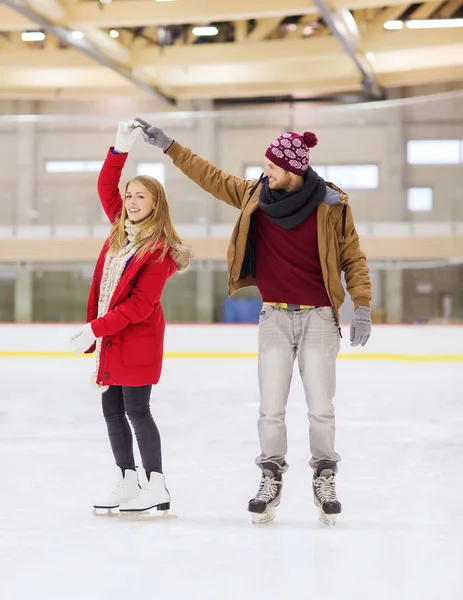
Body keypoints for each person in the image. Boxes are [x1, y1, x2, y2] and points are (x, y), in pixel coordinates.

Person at [135, 118, 372, 525]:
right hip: (274, 318)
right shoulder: (253, 196)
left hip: (318, 317)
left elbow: (353, 258)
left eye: (273, 167)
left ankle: (325, 474)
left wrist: (362, 306)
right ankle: (270, 476)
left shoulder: (331, 205)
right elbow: (209, 176)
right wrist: (170, 146)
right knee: (270, 408)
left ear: (294, 170)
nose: (265, 172)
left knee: (320, 408)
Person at [70, 120, 192, 517]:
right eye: (129, 195)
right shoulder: (119, 233)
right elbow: (105, 187)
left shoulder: (156, 251)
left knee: (138, 411)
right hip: (112, 340)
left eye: (141, 196)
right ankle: (127, 480)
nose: (132, 201)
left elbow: (139, 306)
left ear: (156, 203)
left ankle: (156, 484)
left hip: (136, 339)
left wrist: (93, 329)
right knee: (111, 412)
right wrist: (120, 146)